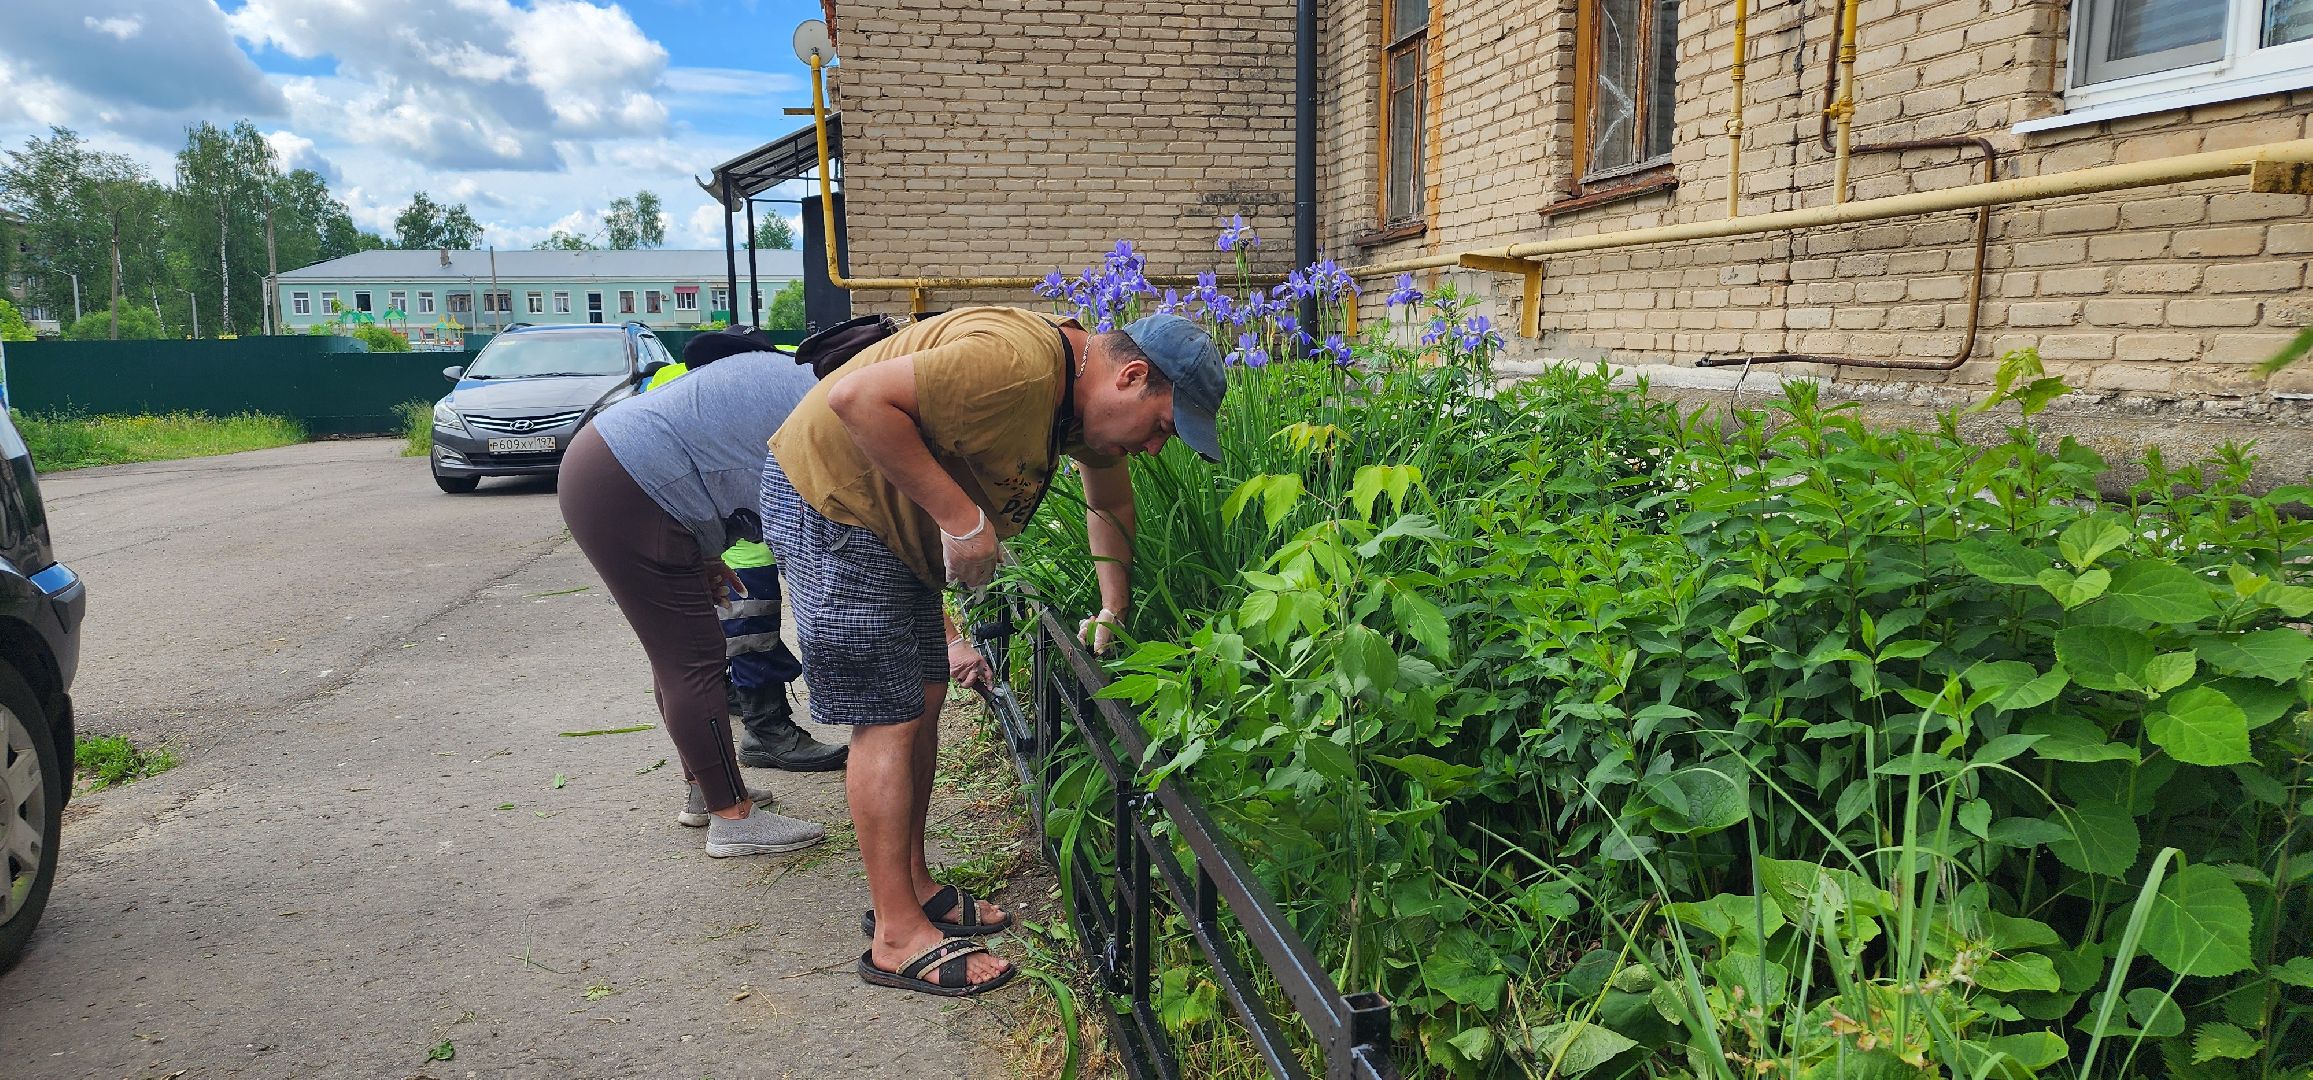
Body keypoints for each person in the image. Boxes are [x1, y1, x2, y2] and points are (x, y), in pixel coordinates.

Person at [762, 306, 1226, 996]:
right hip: (840, 509)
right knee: (886, 719)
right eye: (1162, 426)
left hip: (889, 528)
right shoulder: (1018, 364)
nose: (1158, 447)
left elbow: (1110, 504)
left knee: (921, 698)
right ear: (1131, 377)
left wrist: (1113, 604)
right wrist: (963, 519)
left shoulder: (1082, 400)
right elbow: (856, 398)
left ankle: (912, 888)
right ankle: (895, 935)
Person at [558, 333, 830, 857]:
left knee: (679, 656)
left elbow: (710, 452)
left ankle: (708, 793)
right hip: (631, 483)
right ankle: (733, 820)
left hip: (614, 471)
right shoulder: (827, 399)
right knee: (694, 659)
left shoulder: (802, 376)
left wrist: (705, 556)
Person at [642, 360, 849, 775]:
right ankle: (766, 732)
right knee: (751, 632)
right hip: (734, 537)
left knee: (729, 633)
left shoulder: (677, 381)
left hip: (733, 524)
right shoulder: (766, 377)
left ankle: (739, 700)